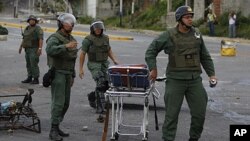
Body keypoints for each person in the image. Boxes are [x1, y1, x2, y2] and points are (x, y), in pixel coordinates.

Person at [145, 6, 217, 141]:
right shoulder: (169, 35)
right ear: (179, 19)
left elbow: (205, 56)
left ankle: (194, 138)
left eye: (191, 17)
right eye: (187, 17)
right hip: (175, 81)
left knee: (199, 114)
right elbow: (151, 51)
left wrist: (211, 74)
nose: (190, 20)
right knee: (171, 116)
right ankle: (168, 139)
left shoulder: (196, 34)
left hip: (194, 80)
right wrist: (153, 69)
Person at [46, 13, 78, 141]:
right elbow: (50, 50)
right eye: (67, 23)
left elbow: (72, 58)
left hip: (67, 73)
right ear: (61, 24)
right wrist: (65, 46)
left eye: (71, 23)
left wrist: (73, 75)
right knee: (58, 103)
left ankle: (57, 125)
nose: (70, 25)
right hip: (58, 73)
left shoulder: (71, 38)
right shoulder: (55, 37)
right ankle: (53, 130)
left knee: (66, 103)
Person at [79, 20, 118, 114]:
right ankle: (100, 107)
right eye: (96, 28)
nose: (98, 30)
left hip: (104, 63)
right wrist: (80, 69)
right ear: (92, 29)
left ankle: (93, 97)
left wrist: (114, 59)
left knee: (107, 83)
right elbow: (82, 54)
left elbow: (108, 50)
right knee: (100, 81)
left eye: (100, 28)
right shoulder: (88, 39)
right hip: (94, 64)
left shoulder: (105, 38)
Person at [19, 15, 43, 84]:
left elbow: (40, 39)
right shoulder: (27, 28)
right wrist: (20, 47)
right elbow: (24, 38)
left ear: (35, 21)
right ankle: (29, 77)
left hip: (34, 49)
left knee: (34, 64)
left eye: (33, 20)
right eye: (30, 20)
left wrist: (40, 48)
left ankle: (36, 78)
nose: (31, 21)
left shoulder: (38, 29)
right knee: (28, 64)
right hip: (27, 49)